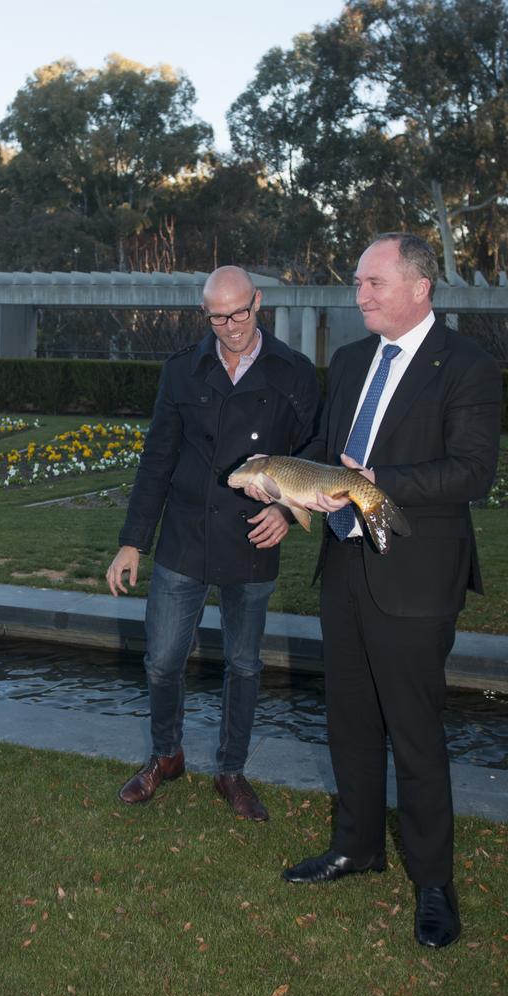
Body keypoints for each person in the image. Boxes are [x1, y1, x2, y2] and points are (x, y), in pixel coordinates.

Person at [265, 234, 501, 947]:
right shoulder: (349, 360)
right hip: (344, 570)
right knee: (350, 722)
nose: (359, 295)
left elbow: (470, 474)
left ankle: (434, 882)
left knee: (416, 732)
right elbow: (330, 456)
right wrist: (287, 487)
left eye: (373, 283)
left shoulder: (467, 363)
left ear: (419, 286)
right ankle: (357, 847)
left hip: (417, 576)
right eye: (359, 284)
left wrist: (369, 484)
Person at [106, 266, 320, 820]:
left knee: (245, 665)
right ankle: (166, 755)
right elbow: (158, 460)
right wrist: (133, 542)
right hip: (185, 535)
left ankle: (231, 770)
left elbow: (313, 454)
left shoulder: (293, 372)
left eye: (240, 312)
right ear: (205, 313)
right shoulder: (182, 370)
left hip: (253, 537)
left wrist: (284, 511)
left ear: (259, 302)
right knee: (161, 662)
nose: (230, 326)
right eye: (218, 316)